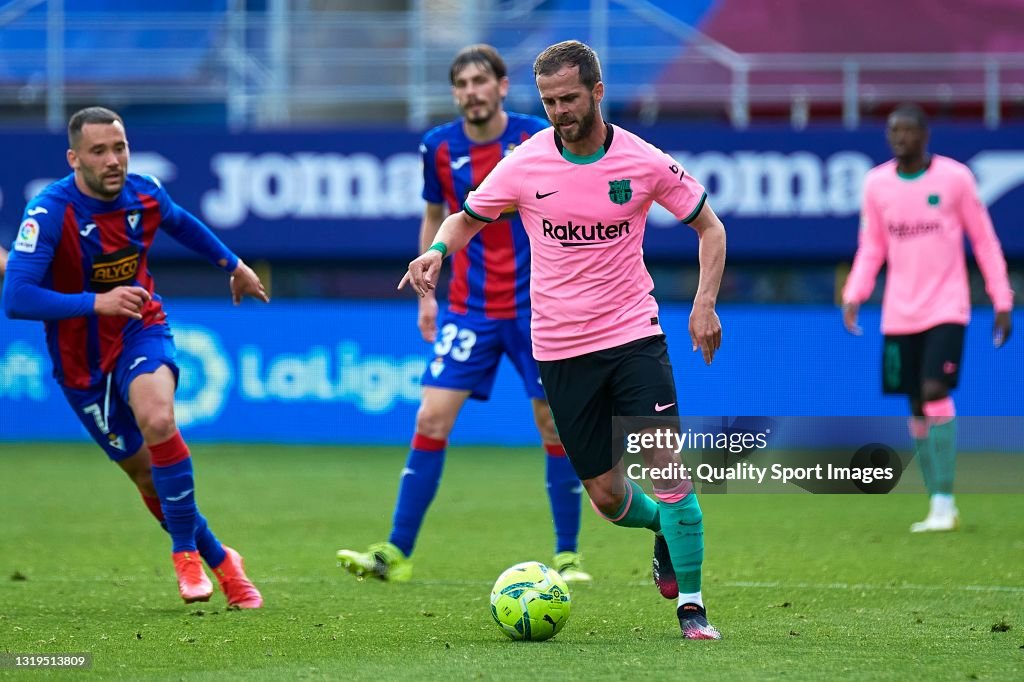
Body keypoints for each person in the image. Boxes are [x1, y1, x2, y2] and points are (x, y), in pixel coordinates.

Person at [400, 40, 727, 640]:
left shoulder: (642, 160)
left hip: (635, 336)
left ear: (597, 93)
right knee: (606, 497)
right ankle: (662, 530)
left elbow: (710, 226)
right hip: (559, 348)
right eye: (549, 101)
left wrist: (703, 302)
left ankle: (693, 609)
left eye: (570, 98)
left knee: (666, 467)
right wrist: (436, 252)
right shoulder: (525, 162)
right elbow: (465, 216)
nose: (559, 111)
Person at [336, 45, 590, 583]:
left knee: (553, 423)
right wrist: (428, 295)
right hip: (469, 309)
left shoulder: (535, 138)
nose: (471, 91)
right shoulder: (437, 146)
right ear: (455, 93)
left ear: (501, 86)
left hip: (536, 309)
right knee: (430, 418)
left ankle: (568, 555)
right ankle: (395, 552)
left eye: (481, 81)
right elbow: (435, 218)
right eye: (461, 83)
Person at [2, 106, 269, 607]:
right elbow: (16, 298)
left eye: (119, 148)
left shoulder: (145, 191)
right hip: (81, 364)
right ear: (74, 158)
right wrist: (95, 302)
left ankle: (185, 554)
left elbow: (183, 223)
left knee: (158, 417)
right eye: (98, 151)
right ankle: (224, 561)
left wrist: (231, 263)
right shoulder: (49, 211)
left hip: (139, 330)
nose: (112, 160)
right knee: (145, 473)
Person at [843, 103, 1013, 532]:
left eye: (907, 131)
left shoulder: (955, 179)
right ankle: (937, 499)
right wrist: (855, 293)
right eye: (892, 131)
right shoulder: (877, 184)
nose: (899, 138)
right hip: (899, 311)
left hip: (947, 307)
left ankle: (944, 501)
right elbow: (872, 246)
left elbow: (985, 241)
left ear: (925, 135)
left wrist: (1002, 298)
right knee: (916, 404)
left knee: (935, 388)